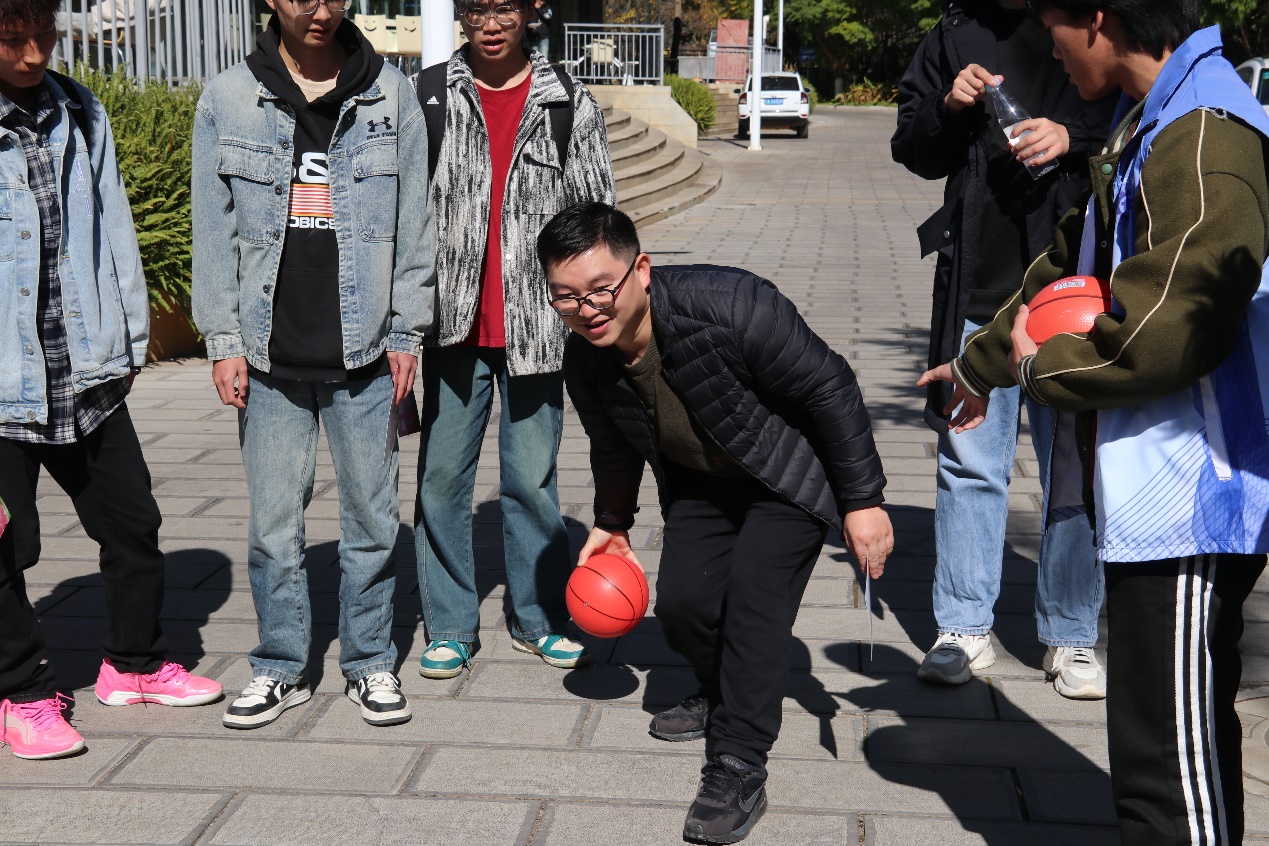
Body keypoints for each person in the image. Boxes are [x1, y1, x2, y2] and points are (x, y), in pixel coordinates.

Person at [920, 1, 1269, 841]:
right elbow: (1072, 262)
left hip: (1192, 498)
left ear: (1100, 18)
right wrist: (978, 363)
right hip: (1157, 488)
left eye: (1053, 25)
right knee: (1164, 743)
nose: (1048, 47)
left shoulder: (1203, 131)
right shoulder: (1153, 116)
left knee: (1168, 766)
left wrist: (1033, 373)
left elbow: (1165, 330)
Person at [544, 202, 893, 844]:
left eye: (600, 289)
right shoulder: (587, 358)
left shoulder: (732, 305)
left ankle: (738, 763)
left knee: (755, 603)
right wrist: (613, 521)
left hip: (785, 477)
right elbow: (611, 442)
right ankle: (722, 689)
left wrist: (863, 500)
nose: (586, 308)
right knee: (683, 608)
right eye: (565, 296)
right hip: (701, 483)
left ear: (640, 271)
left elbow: (831, 386)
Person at [192, 0, 434, 728]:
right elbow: (213, 229)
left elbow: (415, 223)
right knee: (272, 528)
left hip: (366, 350)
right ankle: (280, 665)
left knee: (372, 521)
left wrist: (407, 332)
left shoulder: (389, 94)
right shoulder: (230, 97)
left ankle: (369, 661)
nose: (320, 10)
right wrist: (223, 340)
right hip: (269, 352)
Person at [0, 0, 222, 761]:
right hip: (4, 385)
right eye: (12, 40)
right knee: (5, 549)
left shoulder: (79, 110)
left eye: (43, 35)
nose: (34, 55)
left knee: (133, 525)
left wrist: (127, 341)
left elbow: (114, 225)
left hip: (84, 372)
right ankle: (23, 693)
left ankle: (133, 664)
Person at [892, 0, 1117, 697]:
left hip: (1074, 290)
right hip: (979, 282)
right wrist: (947, 106)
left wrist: (1072, 137)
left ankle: (1070, 634)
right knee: (969, 461)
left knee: (1072, 467)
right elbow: (912, 148)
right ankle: (962, 627)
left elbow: (1136, 120)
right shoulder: (956, 31)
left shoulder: (1090, 21)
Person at [411, 0, 614, 680]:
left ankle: (538, 618)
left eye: (504, 7)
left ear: (531, 11)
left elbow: (596, 216)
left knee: (530, 481)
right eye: (476, 8)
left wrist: (598, 314)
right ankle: (449, 624)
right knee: (442, 481)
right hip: (451, 325)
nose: (490, 22)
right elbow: (404, 209)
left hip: (538, 326)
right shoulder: (430, 94)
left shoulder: (567, 101)